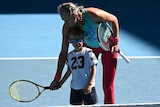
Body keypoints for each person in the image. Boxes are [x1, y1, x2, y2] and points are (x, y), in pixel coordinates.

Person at [50, 2, 120, 104]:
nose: (65, 23)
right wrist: (57, 77)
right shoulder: (67, 27)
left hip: (108, 47)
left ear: (75, 15)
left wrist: (115, 42)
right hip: (90, 48)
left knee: (108, 86)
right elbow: (63, 52)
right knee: (85, 85)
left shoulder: (93, 14)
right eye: (63, 20)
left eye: (67, 20)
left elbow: (114, 19)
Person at [54, 26, 98, 105]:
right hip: (75, 87)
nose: (77, 43)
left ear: (83, 39)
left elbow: (93, 69)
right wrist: (61, 83)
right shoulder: (70, 56)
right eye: (74, 40)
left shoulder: (88, 53)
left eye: (79, 40)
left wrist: (90, 84)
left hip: (88, 87)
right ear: (69, 41)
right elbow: (69, 71)